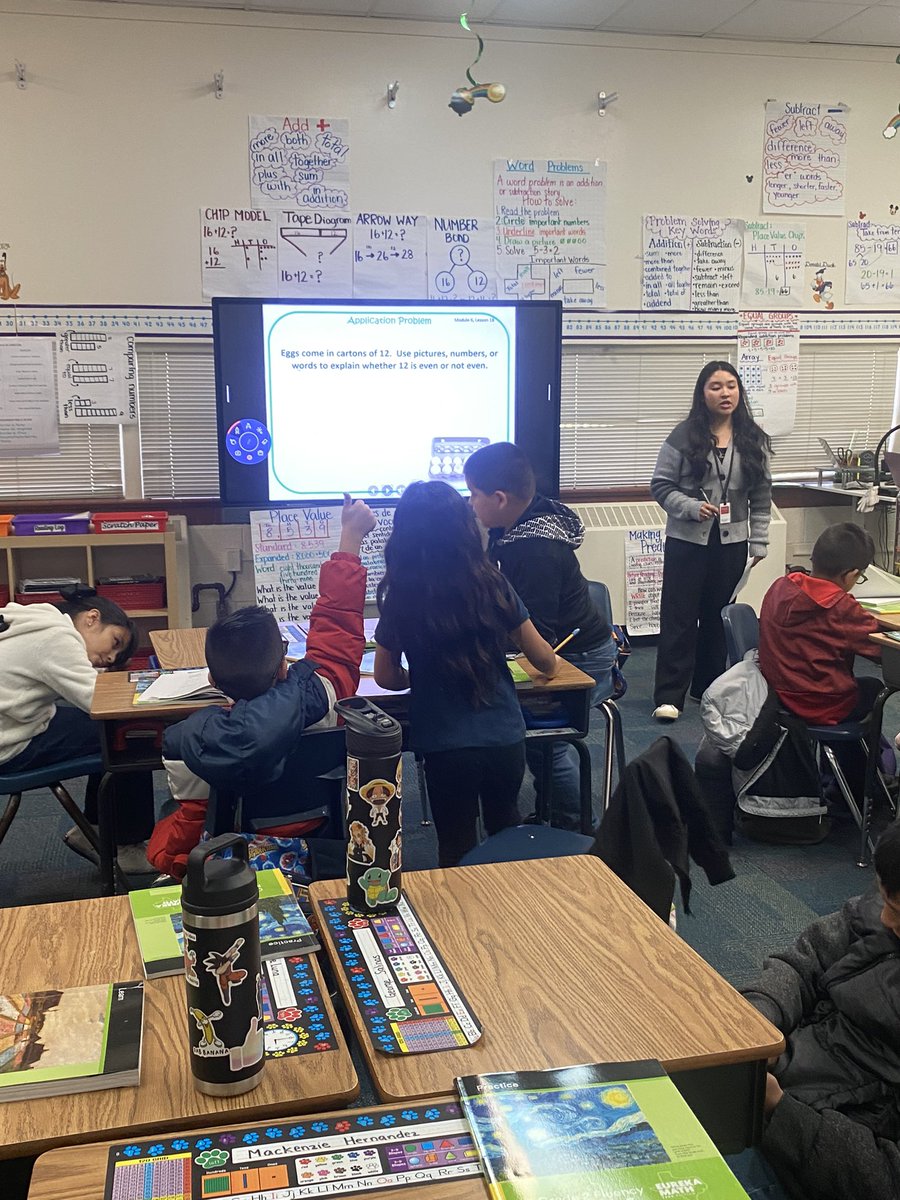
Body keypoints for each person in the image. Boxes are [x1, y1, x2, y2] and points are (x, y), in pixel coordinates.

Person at [149, 495, 375, 879]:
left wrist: (166, 862)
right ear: (285, 666)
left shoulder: (191, 742)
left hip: (229, 863)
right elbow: (339, 621)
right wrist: (350, 535)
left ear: (213, 681)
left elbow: (189, 828)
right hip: (318, 847)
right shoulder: (328, 692)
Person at [373, 480, 559, 866]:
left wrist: (419, 678)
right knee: (507, 833)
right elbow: (543, 659)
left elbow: (386, 677)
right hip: (503, 739)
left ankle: (460, 921)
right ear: (463, 529)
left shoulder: (402, 594)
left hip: (445, 747)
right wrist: (552, 664)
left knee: (455, 843)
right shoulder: (492, 584)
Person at [740, 821, 900, 1200]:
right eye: (886, 900)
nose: (885, 920)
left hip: (818, 1155)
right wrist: (755, 1026)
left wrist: (779, 1111)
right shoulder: (881, 907)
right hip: (779, 1078)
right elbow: (801, 964)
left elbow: (887, 1180)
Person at [464, 441, 617, 829]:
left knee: (548, 744)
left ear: (499, 498)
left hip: (579, 655)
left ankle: (576, 827)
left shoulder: (534, 550)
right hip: (563, 645)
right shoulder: (518, 525)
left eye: (473, 494)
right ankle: (555, 813)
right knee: (531, 736)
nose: (469, 503)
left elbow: (537, 636)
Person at [0, 586, 156, 873]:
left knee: (99, 727)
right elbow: (101, 702)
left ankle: (94, 828)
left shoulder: (36, 619)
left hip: (12, 723)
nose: (111, 658)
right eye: (115, 642)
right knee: (129, 735)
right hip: (10, 747)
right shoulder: (57, 639)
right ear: (92, 618)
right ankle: (123, 845)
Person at [651, 361, 772, 721]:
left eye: (731, 386)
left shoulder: (752, 438)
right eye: (716, 386)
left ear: (740, 392)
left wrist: (759, 541)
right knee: (680, 618)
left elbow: (762, 495)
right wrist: (689, 507)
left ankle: (708, 686)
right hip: (687, 540)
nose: (725, 393)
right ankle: (669, 695)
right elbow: (660, 486)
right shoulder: (683, 435)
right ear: (702, 393)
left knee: (718, 618)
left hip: (732, 541)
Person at [759, 523, 881, 725]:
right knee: (875, 689)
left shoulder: (781, 586)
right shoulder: (841, 608)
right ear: (851, 575)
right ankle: (857, 756)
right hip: (820, 704)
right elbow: (879, 648)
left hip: (774, 695)